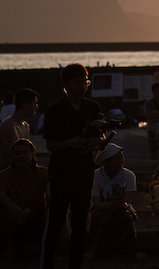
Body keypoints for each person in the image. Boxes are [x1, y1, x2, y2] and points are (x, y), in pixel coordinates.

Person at [41, 63, 106, 269]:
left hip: (85, 172)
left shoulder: (93, 107)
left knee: (80, 225)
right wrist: (71, 142)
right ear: (65, 85)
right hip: (60, 174)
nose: (83, 87)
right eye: (78, 83)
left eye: (85, 82)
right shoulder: (54, 110)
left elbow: (102, 136)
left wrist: (94, 143)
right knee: (56, 224)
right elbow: (50, 145)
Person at [85, 143, 146, 260]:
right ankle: (134, 250)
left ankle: (93, 248)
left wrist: (115, 204)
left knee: (122, 212)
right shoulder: (96, 176)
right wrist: (112, 203)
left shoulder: (128, 175)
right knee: (111, 213)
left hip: (121, 210)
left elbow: (126, 202)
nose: (121, 161)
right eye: (117, 158)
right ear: (106, 162)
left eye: (122, 157)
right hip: (102, 212)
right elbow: (97, 205)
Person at [0, 138, 48, 261]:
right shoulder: (3, 175)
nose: (21, 157)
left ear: (32, 155)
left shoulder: (43, 173)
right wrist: (13, 207)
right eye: (17, 154)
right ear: (12, 156)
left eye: (25, 153)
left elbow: (52, 193)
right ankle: (8, 250)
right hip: (15, 216)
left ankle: (49, 250)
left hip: (37, 216)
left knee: (54, 210)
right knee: (2, 212)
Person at [0, 88, 39, 176]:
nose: (37, 107)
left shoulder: (25, 126)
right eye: (34, 104)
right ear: (25, 105)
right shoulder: (9, 125)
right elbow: (11, 158)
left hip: (18, 169)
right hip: (3, 172)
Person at [143, 83, 159, 160]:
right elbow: (148, 115)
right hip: (152, 128)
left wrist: (154, 112)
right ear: (154, 91)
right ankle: (153, 161)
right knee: (153, 148)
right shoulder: (149, 103)